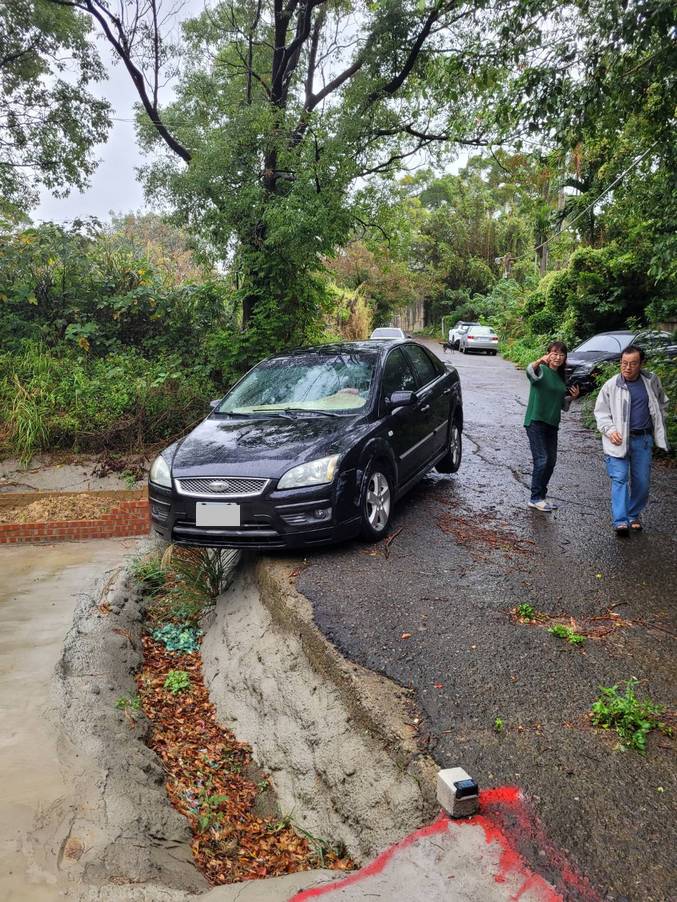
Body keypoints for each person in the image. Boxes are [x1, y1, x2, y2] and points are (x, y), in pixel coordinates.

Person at [593, 345, 669, 535]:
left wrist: (659, 421)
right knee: (619, 479)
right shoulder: (612, 385)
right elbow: (601, 413)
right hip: (617, 441)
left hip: (642, 440)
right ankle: (620, 521)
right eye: (624, 363)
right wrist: (610, 431)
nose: (627, 367)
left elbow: (662, 402)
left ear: (641, 363)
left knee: (642, 482)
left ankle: (633, 514)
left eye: (633, 363)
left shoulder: (651, 381)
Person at [523, 341, 580, 512]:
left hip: (552, 423)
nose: (558, 357)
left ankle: (541, 497)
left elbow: (562, 405)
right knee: (542, 459)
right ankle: (534, 498)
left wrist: (572, 398)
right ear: (548, 354)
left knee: (551, 461)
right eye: (554, 353)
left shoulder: (560, 377)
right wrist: (539, 361)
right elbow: (529, 372)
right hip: (536, 421)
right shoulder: (541, 370)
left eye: (561, 355)